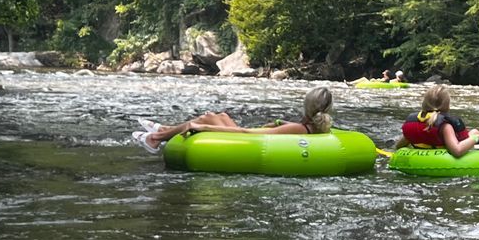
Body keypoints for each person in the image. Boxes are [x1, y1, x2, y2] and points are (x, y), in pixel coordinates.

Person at [137, 85, 335, 150]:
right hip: (252, 139)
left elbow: (246, 132)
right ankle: (164, 130)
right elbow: (294, 129)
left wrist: (206, 129)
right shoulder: (313, 126)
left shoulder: (300, 129)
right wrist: (282, 123)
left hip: (248, 141)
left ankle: (156, 139)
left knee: (203, 120)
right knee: (220, 115)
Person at [402, 82, 479, 157]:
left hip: (435, 148)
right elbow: (457, 151)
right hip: (449, 148)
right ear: (447, 105)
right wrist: (476, 138)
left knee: (476, 132)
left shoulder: (415, 121)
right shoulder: (445, 126)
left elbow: (400, 145)